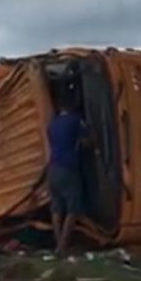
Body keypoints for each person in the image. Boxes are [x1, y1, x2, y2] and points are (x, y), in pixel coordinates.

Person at [47, 94, 88, 255]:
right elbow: (87, 140)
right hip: (68, 168)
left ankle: (59, 244)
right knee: (73, 209)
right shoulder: (76, 120)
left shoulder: (52, 125)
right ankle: (63, 247)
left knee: (56, 208)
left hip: (52, 168)